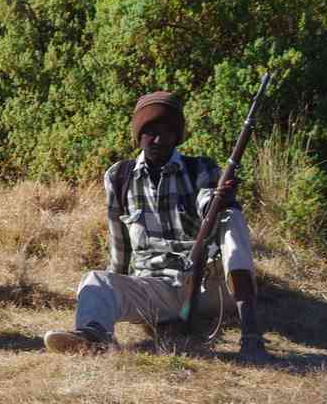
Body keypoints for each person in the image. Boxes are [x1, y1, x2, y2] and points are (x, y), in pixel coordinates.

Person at [44, 91, 267, 359]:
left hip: (209, 289)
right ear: (138, 134)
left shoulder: (200, 169)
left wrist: (218, 202)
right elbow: (119, 247)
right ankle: (93, 337)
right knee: (95, 281)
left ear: (177, 136)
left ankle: (251, 332)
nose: (158, 139)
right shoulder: (118, 177)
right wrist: (114, 289)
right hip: (155, 289)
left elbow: (207, 200)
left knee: (231, 216)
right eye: (150, 130)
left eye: (166, 131)